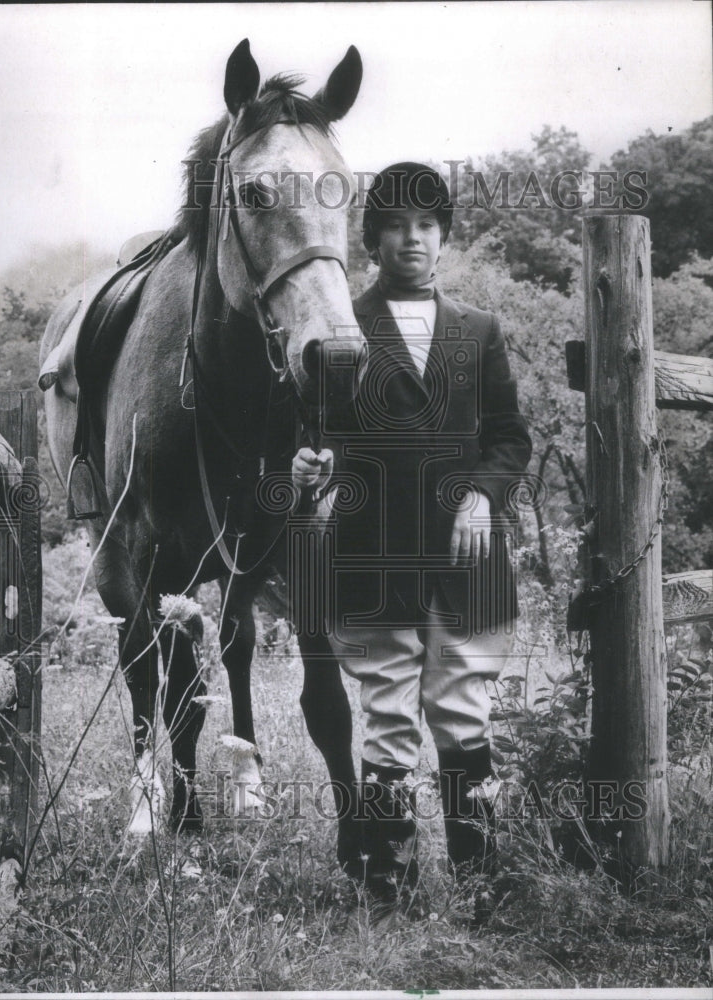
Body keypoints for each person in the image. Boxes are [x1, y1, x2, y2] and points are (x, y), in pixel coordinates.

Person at [292, 162, 532, 916]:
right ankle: (385, 887)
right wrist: (310, 466)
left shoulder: (479, 332)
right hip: (372, 552)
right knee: (389, 715)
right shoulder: (341, 332)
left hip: (469, 558)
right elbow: (323, 440)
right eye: (395, 225)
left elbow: (508, 441)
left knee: (464, 714)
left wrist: (481, 497)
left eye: (426, 225)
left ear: (443, 236)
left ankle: (481, 882)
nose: (412, 240)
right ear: (372, 239)